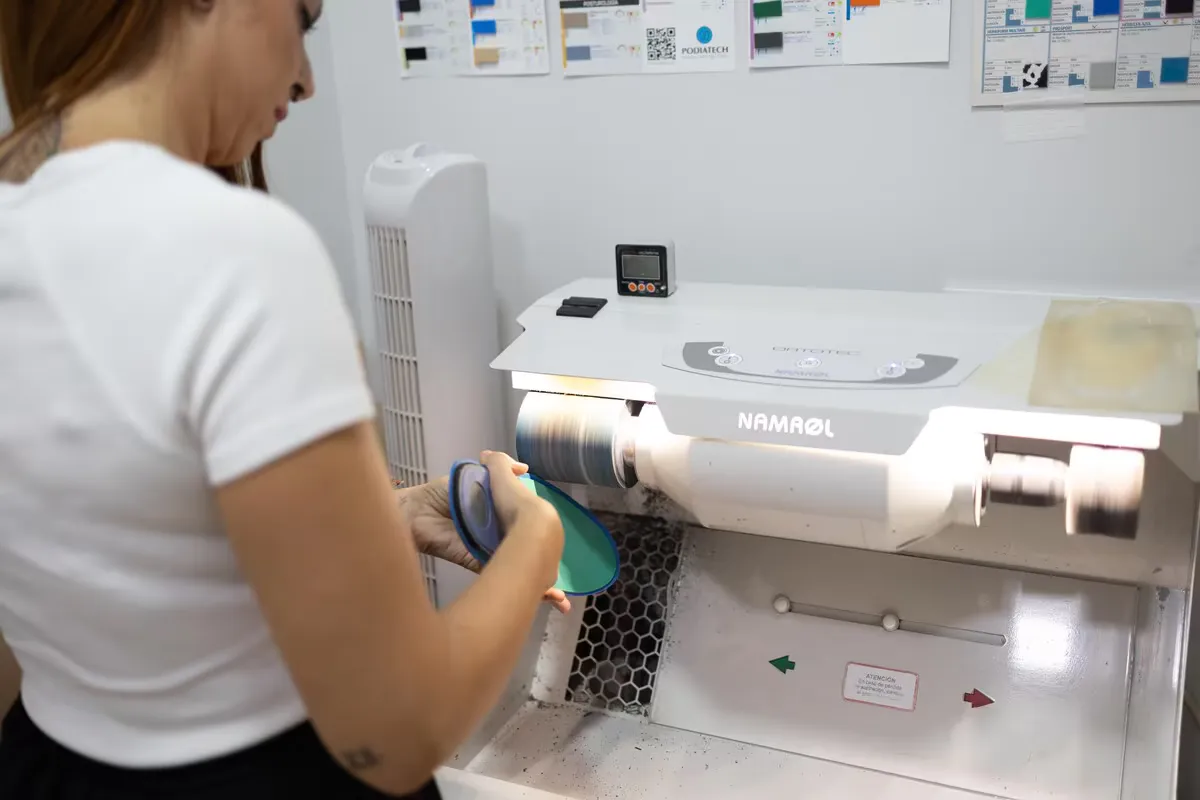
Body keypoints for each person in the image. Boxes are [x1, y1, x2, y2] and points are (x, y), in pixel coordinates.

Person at [0, 1, 569, 797]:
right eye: (303, 20)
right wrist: (537, 540)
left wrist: (373, 522)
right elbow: (398, 733)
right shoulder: (237, 249)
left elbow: (107, 541)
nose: (304, 82)